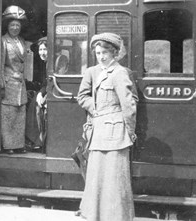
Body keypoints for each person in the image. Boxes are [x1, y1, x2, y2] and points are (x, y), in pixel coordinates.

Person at [76, 32, 138, 221]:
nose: (101, 57)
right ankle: (95, 214)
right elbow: (82, 97)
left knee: (114, 177)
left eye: (105, 53)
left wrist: (130, 131)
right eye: (98, 53)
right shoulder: (92, 72)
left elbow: (129, 105)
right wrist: (94, 109)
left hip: (116, 133)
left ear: (114, 54)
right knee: (97, 177)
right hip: (97, 130)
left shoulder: (120, 73)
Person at [0, 5, 29, 154]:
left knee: (20, 114)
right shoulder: (3, 41)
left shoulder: (22, 41)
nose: (15, 27)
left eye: (17, 25)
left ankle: (18, 145)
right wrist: (2, 82)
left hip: (20, 84)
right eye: (12, 25)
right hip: (9, 83)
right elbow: (0, 63)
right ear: (7, 26)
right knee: (8, 115)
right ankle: (9, 145)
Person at [25, 36, 48, 151]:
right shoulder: (45, 63)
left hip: (50, 93)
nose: (42, 53)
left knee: (36, 105)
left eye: (45, 49)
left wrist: (42, 93)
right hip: (46, 92)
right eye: (40, 50)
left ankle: (38, 140)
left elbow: (49, 82)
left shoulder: (52, 63)